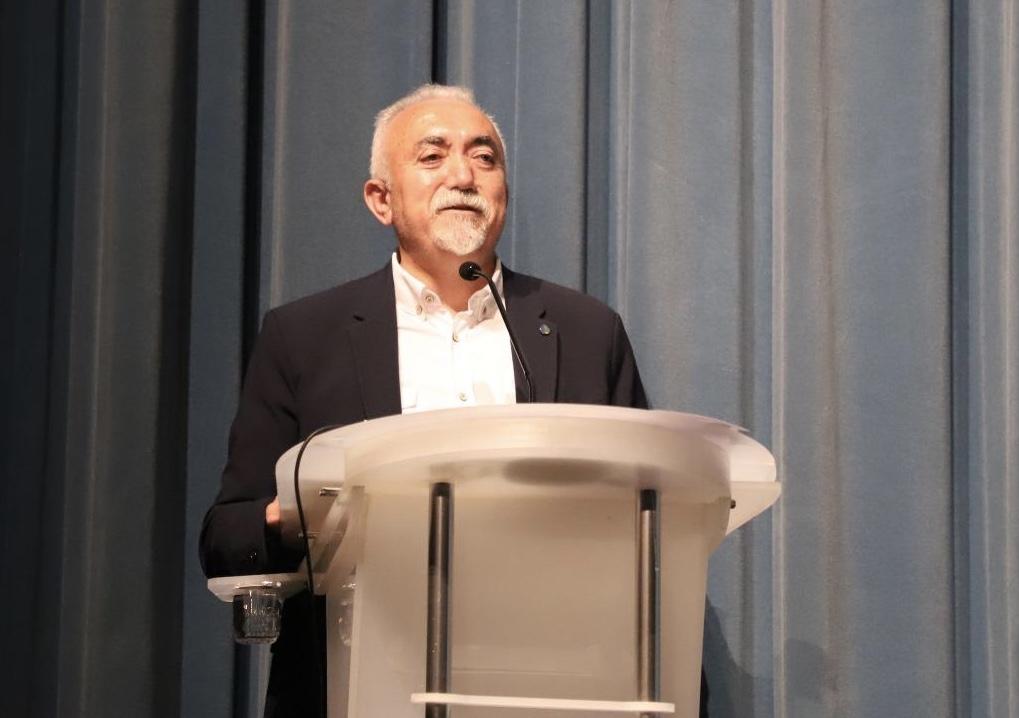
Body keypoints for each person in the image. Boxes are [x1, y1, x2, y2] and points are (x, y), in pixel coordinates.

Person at [200, 84, 686, 716]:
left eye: (484, 158)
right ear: (381, 199)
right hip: (358, 682)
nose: (463, 176)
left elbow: (651, 525)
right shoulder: (305, 336)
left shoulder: (587, 331)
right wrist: (304, 510)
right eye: (432, 156)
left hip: (553, 682)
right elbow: (228, 534)